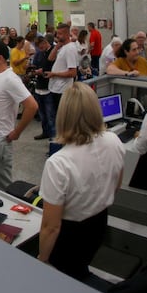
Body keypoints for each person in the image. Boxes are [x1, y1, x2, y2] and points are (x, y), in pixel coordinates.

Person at [37, 82, 124, 281]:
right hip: (99, 223)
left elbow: (51, 227)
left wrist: (42, 259)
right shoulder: (113, 141)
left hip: (70, 238)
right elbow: (116, 184)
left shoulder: (58, 163)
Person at [0, 39, 38, 190]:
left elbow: (32, 106)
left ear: (0, 59)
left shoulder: (10, 79)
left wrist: (17, 132)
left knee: (2, 190)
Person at [46, 23, 80, 121]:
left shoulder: (70, 49)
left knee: (62, 118)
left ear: (66, 34)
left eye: (60, 34)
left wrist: (54, 74)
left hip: (62, 90)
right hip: (55, 88)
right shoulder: (62, 47)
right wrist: (57, 47)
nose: (57, 36)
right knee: (56, 116)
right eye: (57, 33)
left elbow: (73, 73)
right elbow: (50, 58)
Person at [31, 36, 56, 141]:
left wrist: (43, 70)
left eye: (41, 46)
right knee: (43, 114)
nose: (40, 48)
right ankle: (45, 132)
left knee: (50, 115)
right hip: (39, 87)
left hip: (49, 87)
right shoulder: (39, 54)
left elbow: (52, 66)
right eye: (38, 47)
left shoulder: (53, 52)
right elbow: (34, 65)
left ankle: (53, 137)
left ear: (45, 42)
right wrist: (34, 70)